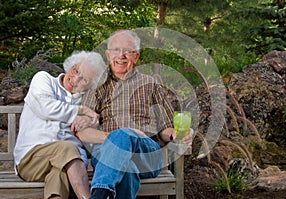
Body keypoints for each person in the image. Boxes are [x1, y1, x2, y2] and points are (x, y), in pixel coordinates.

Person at [77, 30, 193, 199]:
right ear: (108, 55)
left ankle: (99, 194)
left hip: (146, 154)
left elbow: (166, 128)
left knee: (125, 143)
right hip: (107, 154)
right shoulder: (97, 86)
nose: (121, 56)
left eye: (128, 51)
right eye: (116, 50)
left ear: (136, 57)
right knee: (127, 167)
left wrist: (178, 134)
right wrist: (119, 137)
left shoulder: (150, 84)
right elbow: (82, 132)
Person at [13, 50, 107, 199]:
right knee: (67, 148)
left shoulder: (86, 100)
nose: (75, 79)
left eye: (83, 79)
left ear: (90, 85)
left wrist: (89, 120)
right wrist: (80, 111)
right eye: (75, 70)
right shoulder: (44, 80)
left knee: (59, 174)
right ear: (70, 66)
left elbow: (89, 132)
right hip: (31, 160)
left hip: (67, 164)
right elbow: (46, 107)